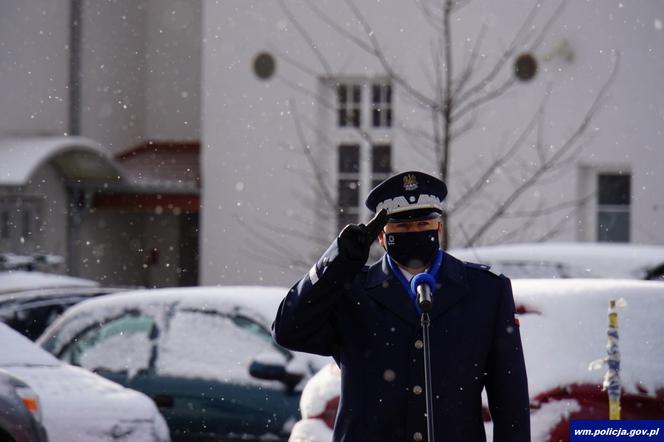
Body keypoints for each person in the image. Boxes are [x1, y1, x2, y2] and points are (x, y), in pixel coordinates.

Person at [273, 171, 530, 442]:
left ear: (439, 229)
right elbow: (288, 330)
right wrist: (338, 261)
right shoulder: (351, 291)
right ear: (382, 238)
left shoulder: (485, 291)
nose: (415, 233)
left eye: (423, 224)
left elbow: (510, 398)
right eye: (403, 228)